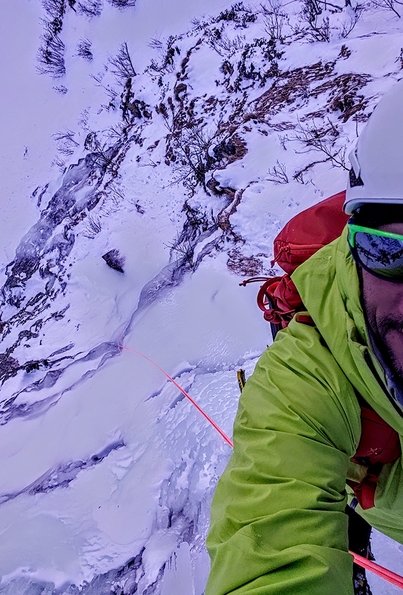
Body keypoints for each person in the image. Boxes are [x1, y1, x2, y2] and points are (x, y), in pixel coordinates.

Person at [205, 79, 403, 595]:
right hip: (360, 487)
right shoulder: (302, 386)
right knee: (343, 507)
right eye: (391, 253)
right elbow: (271, 553)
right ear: (354, 256)